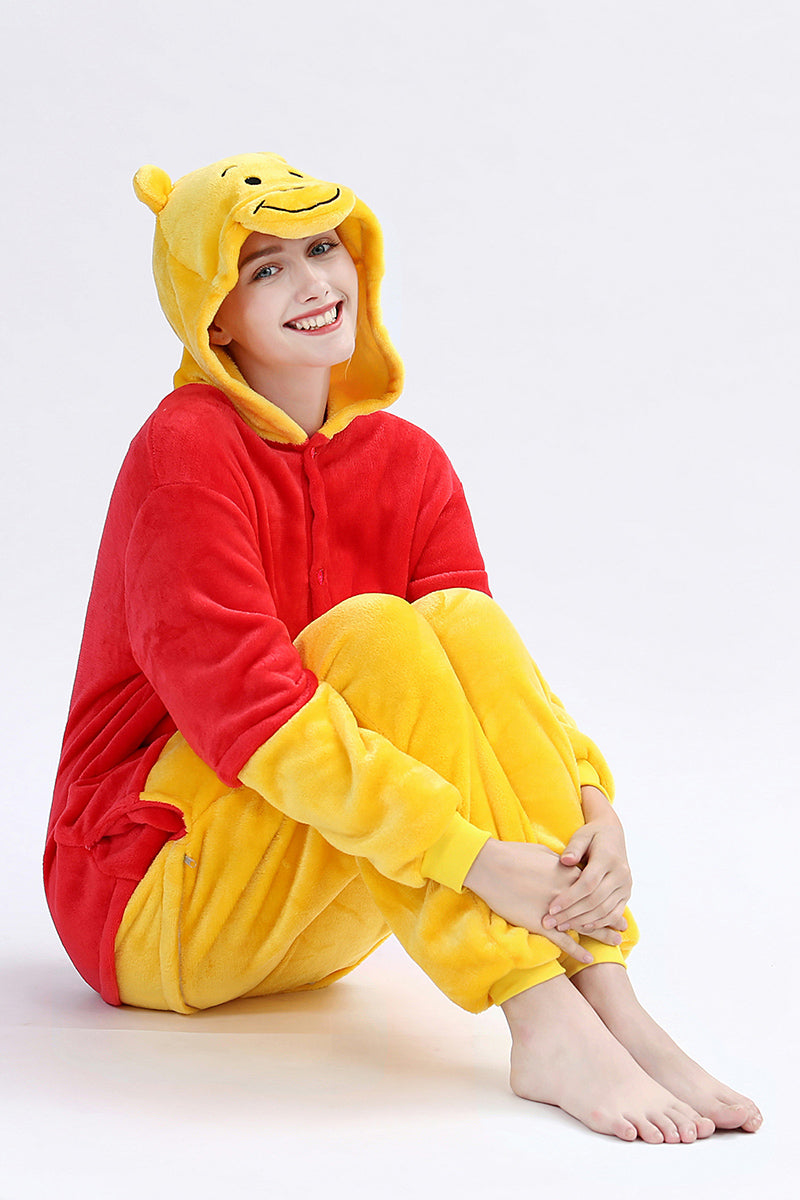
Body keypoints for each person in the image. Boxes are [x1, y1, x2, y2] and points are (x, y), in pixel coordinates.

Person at [45, 152, 761, 1143]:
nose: (312, 283)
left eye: (323, 249)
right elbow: (248, 716)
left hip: (327, 916)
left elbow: (493, 690)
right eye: (265, 268)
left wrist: (592, 802)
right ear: (216, 315)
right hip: (154, 905)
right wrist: (472, 858)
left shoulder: (409, 463)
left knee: (461, 622)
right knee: (374, 631)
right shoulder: (184, 451)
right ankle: (538, 1014)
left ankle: (605, 992)